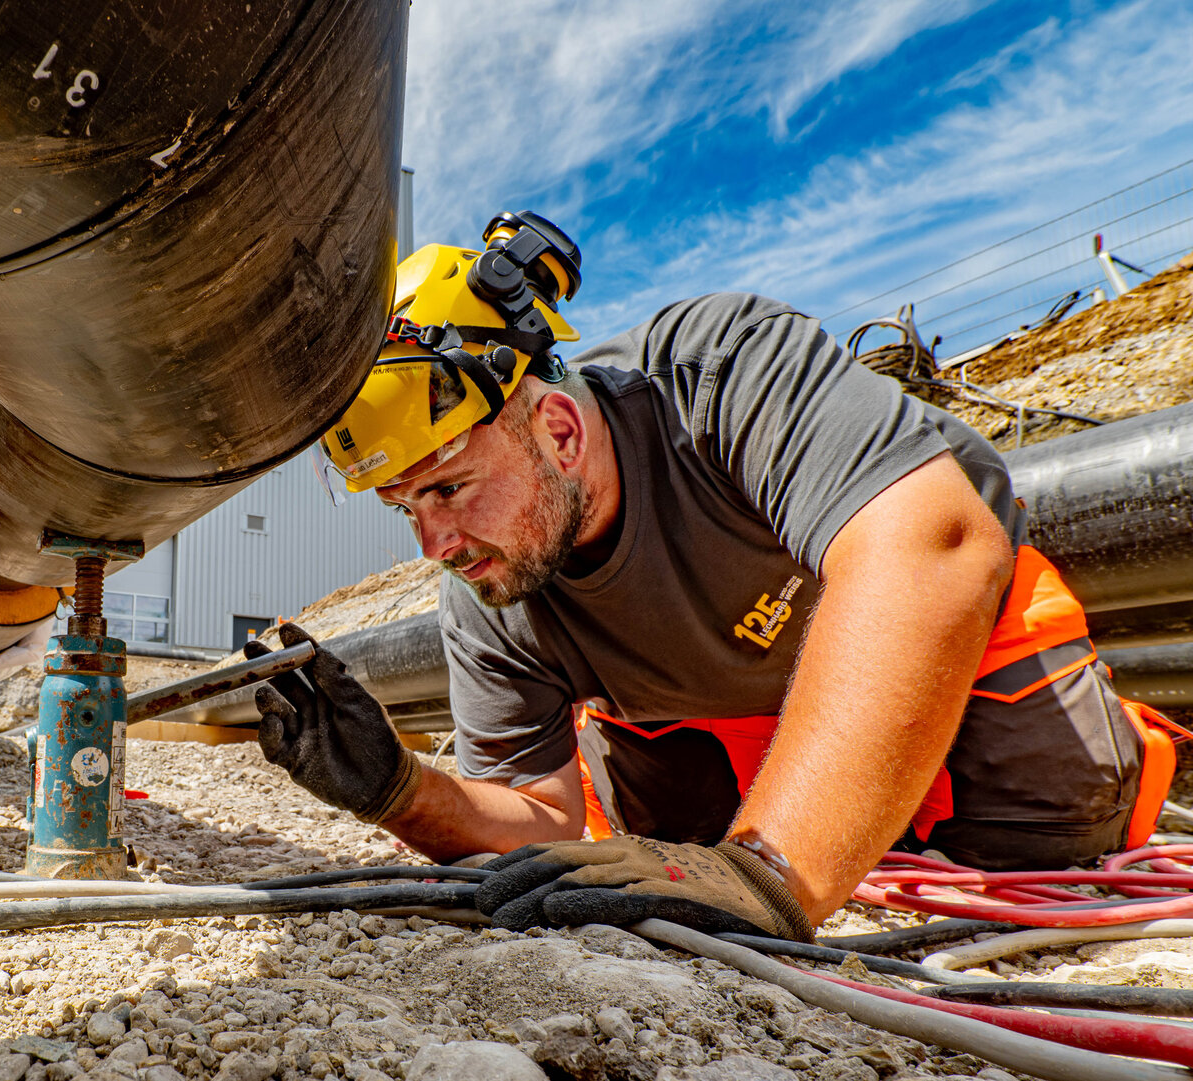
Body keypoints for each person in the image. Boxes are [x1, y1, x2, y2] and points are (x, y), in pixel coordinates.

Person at [249, 211, 1178, 942]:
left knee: (1053, 821)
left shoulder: (719, 371)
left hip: (960, 647)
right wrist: (403, 790)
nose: (434, 542)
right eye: (406, 506)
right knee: (657, 835)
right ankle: (826, 816)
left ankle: (832, 821)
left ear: (561, 432)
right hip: (724, 717)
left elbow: (934, 547)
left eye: (449, 487)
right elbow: (542, 821)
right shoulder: (488, 585)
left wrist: (770, 870)